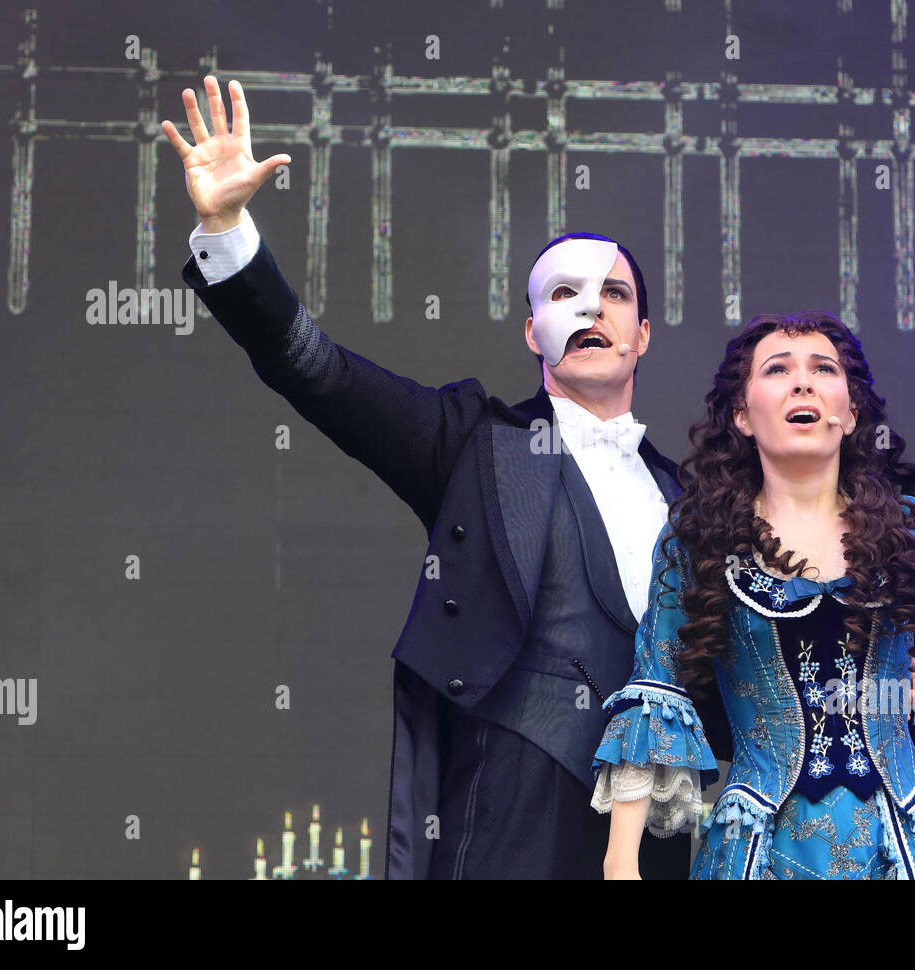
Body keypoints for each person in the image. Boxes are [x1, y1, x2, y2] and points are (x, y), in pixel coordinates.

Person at [161, 75, 719, 878]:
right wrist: (228, 228)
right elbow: (319, 372)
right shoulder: (473, 443)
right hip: (505, 810)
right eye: (565, 295)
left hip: (658, 830)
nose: (592, 311)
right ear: (533, 330)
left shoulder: (692, 501)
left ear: (642, 335)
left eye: (615, 296)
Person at [592, 311, 915, 879]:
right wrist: (620, 864)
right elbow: (657, 693)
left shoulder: (909, 530)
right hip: (756, 854)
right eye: (777, 369)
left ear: (851, 410)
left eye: (823, 368)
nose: (803, 382)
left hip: (899, 852)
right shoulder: (697, 539)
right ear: (742, 414)